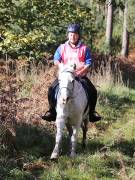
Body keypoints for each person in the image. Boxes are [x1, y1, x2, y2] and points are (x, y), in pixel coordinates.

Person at [42, 23, 101, 122]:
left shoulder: (84, 48)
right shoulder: (62, 47)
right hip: (66, 76)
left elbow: (88, 63)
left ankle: (92, 113)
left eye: (75, 35)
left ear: (78, 36)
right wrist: (61, 67)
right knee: (51, 89)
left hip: (80, 76)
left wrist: (80, 72)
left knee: (93, 91)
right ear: (68, 35)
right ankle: (52, 111)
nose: (72, 37)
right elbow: (56, 59)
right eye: (70, 34)